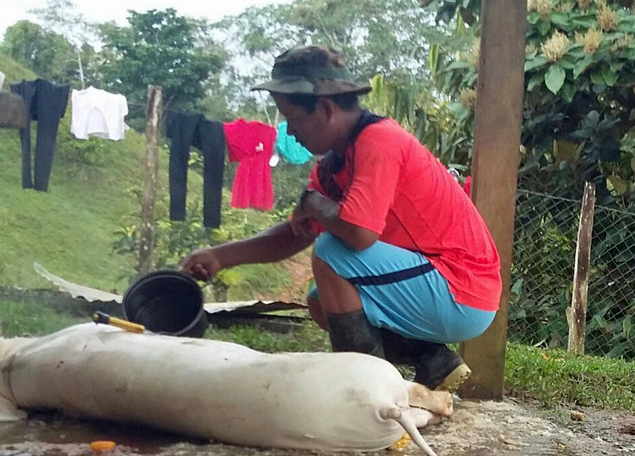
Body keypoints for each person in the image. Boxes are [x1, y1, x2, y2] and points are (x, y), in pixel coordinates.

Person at [180, 45, 502, 392]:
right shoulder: (335, 163)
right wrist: (220, 256)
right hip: (441, 287)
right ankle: (433, 361)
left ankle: (362, 389)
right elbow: (295, 234)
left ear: (325, 108)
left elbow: (358, 234)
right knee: (321, 302)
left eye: (293, 119)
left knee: (332, 251)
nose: (289, 132)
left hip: (461, 288)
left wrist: (315, 204)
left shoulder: (379, 141)